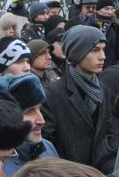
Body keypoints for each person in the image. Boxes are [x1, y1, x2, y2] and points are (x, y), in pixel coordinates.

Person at [45, 23, 106, 164]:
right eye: (95, 50)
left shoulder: (104, 90)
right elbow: (47, 146)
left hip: (100, 175)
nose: (102, 56)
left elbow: (109, 135)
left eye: (104, 50)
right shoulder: (52, 94)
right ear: (77, 52)